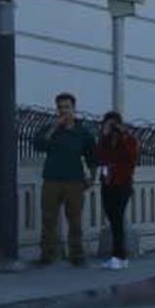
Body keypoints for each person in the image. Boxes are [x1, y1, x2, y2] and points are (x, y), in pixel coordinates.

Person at [32, 93, 96, 265]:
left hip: (74, 181)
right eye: (60, 107)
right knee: (48, 218)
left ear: (74, 109)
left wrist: (92, 176)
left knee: (74, 220)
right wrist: (54, 127)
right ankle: (47, 255)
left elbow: (92, 157)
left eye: (66, 107)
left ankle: (76, 255)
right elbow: (38, 145)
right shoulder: (51, 129)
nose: (63, 110)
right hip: (52, 180)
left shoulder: (83, 133)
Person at [95, 109, 142, 267]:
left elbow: (130, 156)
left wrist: (123, 135)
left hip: (123, 185)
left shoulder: (129, 140)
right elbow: (101, 157)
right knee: (111, 216)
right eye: (108, 123)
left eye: (114, 124)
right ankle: (118, 256)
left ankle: (120, 256)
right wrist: (106, 134)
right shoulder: (105, 140)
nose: (112, 127)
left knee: (117, 218)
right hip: (107, 183)